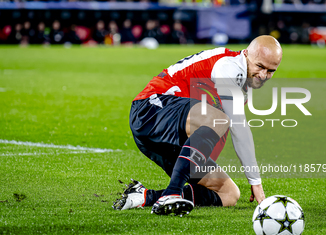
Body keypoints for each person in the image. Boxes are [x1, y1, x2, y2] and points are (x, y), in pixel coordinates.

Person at [113, 35, 282, 216]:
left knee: (229, 194)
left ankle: (143, 197)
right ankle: (171, 194)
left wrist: (197, 162)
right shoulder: (228, 66)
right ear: (247, 54)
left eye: (271, 71)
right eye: (260, 66)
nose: (264, 75)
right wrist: (255, 181)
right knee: (220, 119)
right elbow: (236, 126)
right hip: (151, 108)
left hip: (171, 134)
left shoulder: (243, 87)